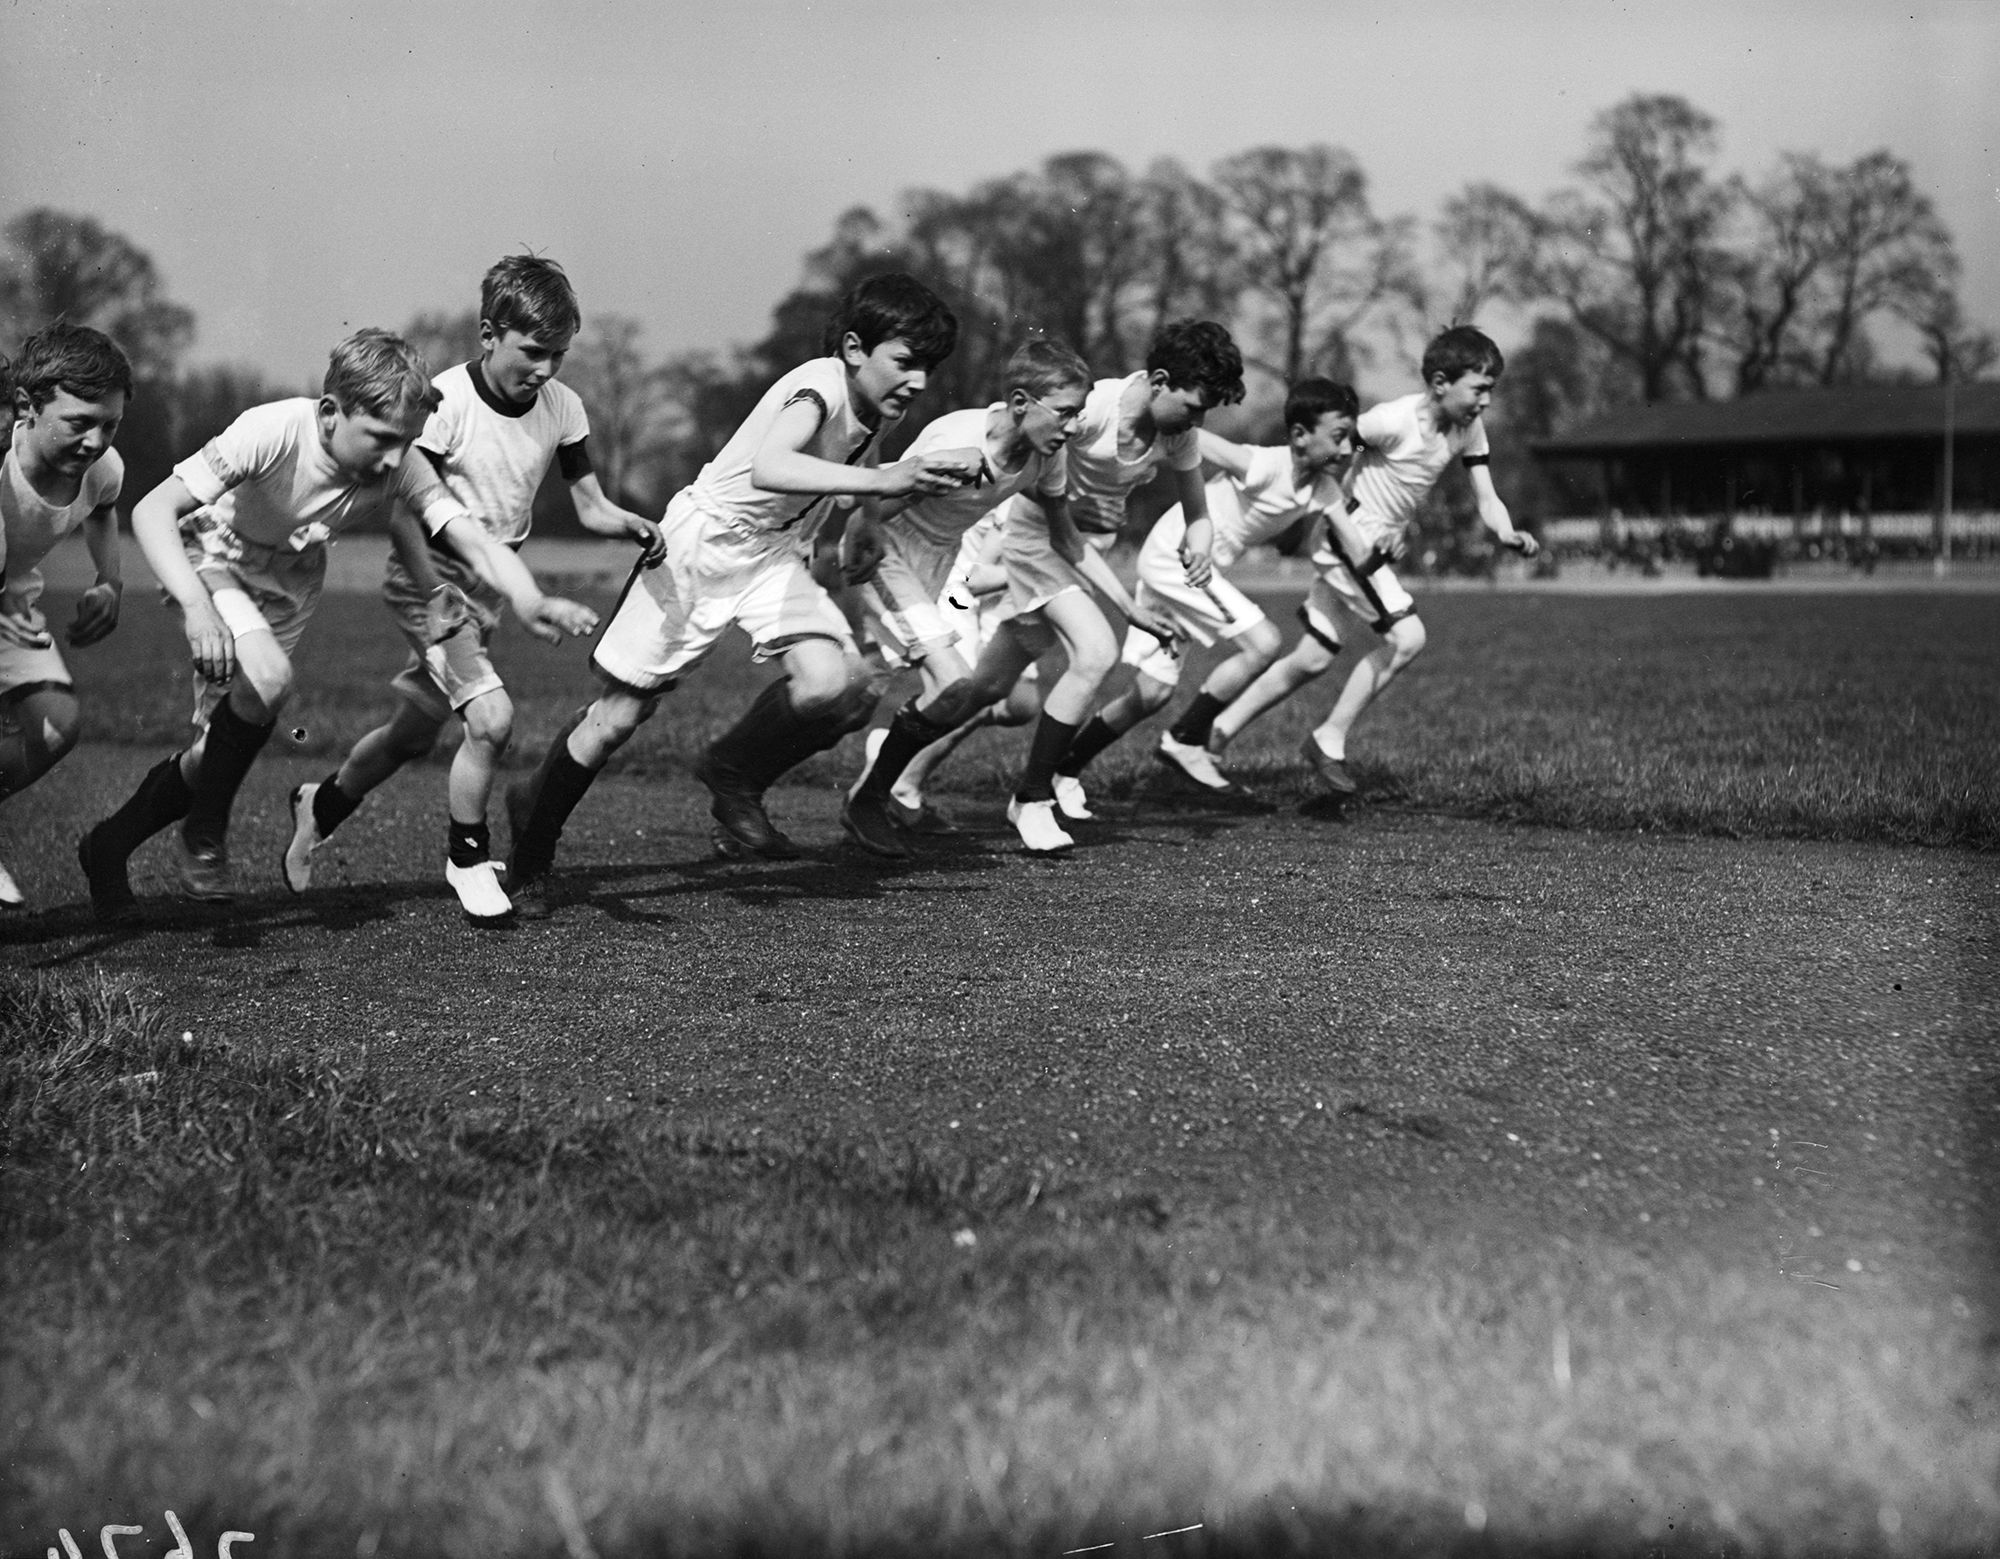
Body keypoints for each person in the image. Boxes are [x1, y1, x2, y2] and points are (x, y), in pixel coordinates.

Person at [76, 329, 597, 922]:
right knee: (270, 681)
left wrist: (529, 600)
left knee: (211, 749)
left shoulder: (398, 465)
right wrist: (196, 605)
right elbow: (152, 509)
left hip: (292, 578)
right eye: (380, 439)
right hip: (216, 559)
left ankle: (108, 846)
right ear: (330, 414)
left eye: (406, 442)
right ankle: (205, 833)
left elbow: (472, 540)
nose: (395, 460)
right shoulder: (272, 429)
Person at [502, 272, 980, 889]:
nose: (918, 380)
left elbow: (863, 460)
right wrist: (892, 482)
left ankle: (732, 772)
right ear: (856, 348)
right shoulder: (816, 387)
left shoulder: (876, 402)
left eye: (929, 368)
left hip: (774, 555)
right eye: (907, 362)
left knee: (838, 683)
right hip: (701, 546)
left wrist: (863, 519)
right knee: (620, 717)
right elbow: (772, 466)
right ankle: (532, 843)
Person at [280, 257, 663, 922]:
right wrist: (434, 590)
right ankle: (467, 857)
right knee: (490, 719)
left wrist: (631, 524)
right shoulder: (445, 403)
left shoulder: (563, 406)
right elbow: (403, 505)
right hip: (430, 581)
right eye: (534, 352)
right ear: (489, 335)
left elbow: (591, 504)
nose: (546, 369)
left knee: (411, 731)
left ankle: (322, 803)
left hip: (490, 581)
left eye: (560, 354)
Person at [1206, 325, 1539, 793]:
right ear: (1441, 383)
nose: (1486, 401)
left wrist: (1504, 530)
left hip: (1375, 547)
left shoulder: (1468, 429)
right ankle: (1328, 740)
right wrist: (1302, 516)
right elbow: (1329, 448)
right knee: (1407, 637)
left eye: (1491, 391)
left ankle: (1214, 734)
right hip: (1351, 541)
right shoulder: (1391, 421)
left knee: (1313, 657)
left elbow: (1486, 493)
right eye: (1480, 389)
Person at [953, 319, 1244, 852]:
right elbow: (1035, 472)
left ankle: (895, 770)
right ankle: (1033, 797)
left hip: (1081, 549)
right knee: (1095, 652)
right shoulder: (1093, 410)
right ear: (1158, 380)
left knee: (990, 685)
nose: (1198, 422)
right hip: (1040, 536)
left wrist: (1200, 545)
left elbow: (1199, 513)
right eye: (1194, 406)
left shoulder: (1177, 436)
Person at [836, 337, 1091, 858]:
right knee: (926, 685)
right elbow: (870, 502)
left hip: (943, 562)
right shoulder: (958, 439)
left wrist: (1124, 607)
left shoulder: (1047, 458)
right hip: (887, 549)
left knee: (897, 696)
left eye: (1079, 415)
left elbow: (1066, 539)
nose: (1071, 428)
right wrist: (840, 550)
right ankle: (864, 796)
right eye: (1064, 414)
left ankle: (872, 790)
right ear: (1022, 403)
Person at [1061, 377, 1359, 800]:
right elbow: (1188, 433)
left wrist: (1386, 548)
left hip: (1192, 568)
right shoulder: (1261, 464)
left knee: (1152, 693)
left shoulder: (1323, 488)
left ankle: (1061, 769)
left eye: (1352, 439)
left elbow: (1356, 545)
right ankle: (1185, 738)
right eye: (1339, 437)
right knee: (1263, 643)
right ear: (1298, 435)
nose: (1348, 450)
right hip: (1176, 555)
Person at [0, 323, 131, 908]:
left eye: (110, 424)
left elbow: (103, 511)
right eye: (79, 422)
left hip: (12, 603)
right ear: (26, 408)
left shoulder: (101, 468)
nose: (96, 440)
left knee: (56, 725)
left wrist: (110, 580)